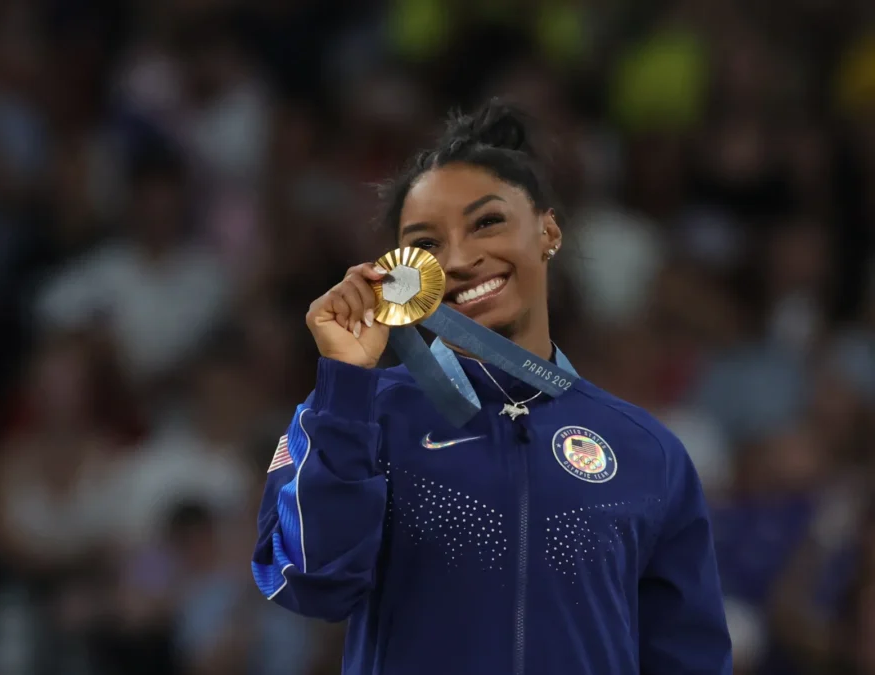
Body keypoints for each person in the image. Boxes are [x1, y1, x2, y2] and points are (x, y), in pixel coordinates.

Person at [250, 98, 732, 675]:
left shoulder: (648, 452)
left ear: (548, 231)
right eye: (427, 245)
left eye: (487, 223)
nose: (459, 260)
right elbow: (309, 583)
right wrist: (347, 385)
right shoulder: (352, 416)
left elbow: (690, 658)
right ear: (403, 277)